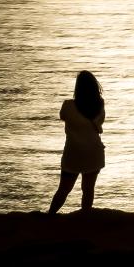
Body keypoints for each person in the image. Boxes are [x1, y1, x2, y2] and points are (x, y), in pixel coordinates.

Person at [48, 70, 105, 214]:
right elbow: (99, 123)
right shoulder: (100, 105)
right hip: (94, 151)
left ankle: (50, 215)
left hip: (74, 153)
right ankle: (85, 217)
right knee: (88, 189)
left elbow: (62, 116)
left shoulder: (67, 106)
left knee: (64, 189)